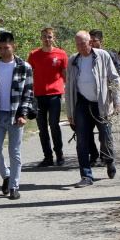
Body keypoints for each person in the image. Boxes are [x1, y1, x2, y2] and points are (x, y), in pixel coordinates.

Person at [65, 31, 120, 188]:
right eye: (77, 44)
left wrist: (118, 101)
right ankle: (86, 175)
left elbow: (115, 78)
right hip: (82, 104)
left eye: (83, 44)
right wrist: (70, 112)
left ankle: (109, 160)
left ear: (90, 42)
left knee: (105, 137)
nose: (80, 47)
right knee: (82, 141)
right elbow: (69, 87)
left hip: (101, 103)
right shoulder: (73, 60)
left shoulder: (102, 56)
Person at [0, 31, 35, 200]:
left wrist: (23, 113)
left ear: (13, 46)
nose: (3, 51)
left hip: (15, 116)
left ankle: (14, 186)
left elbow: (28, 92)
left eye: (6, 47)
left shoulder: (24, 67)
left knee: (15, 152)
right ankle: (6, 176)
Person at [26, 27, 68, 167]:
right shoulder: (34, 54)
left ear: (53, 38)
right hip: (38, 95)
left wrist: (66, 89)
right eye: (44, 36)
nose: (47, 39)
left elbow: (65, 74)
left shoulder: (61, 54)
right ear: (41, 38)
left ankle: (59, 154)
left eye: (49, 36)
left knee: (54, 125)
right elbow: (28, 73)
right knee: (42, 128)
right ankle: (47, 157)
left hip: (55, 94)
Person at [88, 30, 120, 166]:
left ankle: (106, 156)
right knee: (86, 131)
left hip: (105, 99)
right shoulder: (85, 56)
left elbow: (116, 75)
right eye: (90, 40)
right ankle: (93, 154)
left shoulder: (109, 56)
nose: (91, 43)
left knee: (105, 132)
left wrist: (116, 98)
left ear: (101, 41)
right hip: (89, 100)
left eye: (94, 40)